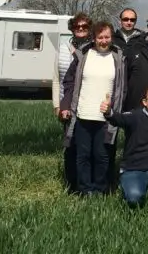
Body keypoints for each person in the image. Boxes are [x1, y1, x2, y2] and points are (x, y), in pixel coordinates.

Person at [60, 21, 126, 196]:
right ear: (94, 38)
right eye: (100, 37)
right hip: (83, 113)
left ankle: (100, 189)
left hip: (105, 116)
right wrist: (65, 106)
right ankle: (85, 189)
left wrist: (115, 109)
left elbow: (122, 87)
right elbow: (69, 81)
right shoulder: (84, 55)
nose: (103, 41)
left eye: (107, 37)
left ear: (111, 38)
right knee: (83, 156)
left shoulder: (118, 57)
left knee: (102, 156)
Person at [54, 12, 91, 192]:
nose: (81, 30)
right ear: (72, 28)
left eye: (84, 27)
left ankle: (84, 183)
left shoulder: (93, 48)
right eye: (78, 27)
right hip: (66, 104)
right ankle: (71, 184)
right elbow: (56, 79)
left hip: (85, 103)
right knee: (70, 145)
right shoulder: (62, 47)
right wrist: (58, 105)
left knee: (85, 146)